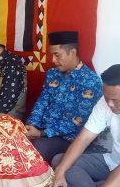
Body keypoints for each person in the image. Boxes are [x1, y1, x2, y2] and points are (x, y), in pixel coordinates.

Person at [52, 64, 120, 187]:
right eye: (106, 98)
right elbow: (84, 138)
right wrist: (60, 173)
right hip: (112, 162)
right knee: (60, 163)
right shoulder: (107, 101)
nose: (109, 104)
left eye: (116, 100)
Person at [25, 31, 102, 163]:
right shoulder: (52, 74)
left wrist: (41, 133)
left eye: (57, 55)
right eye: (52, 55)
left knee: (34, 150)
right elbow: (41, 103)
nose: (53, 60)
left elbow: (76, 122)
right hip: (41, 131)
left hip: (66, 138)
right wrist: (31, 126)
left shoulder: (90, 81)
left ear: (72, 52)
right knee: (14, 141)